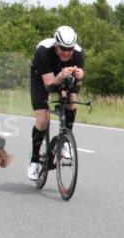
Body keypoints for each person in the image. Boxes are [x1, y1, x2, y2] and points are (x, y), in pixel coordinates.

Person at [28, 25, 84, 180]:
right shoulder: (43, 51)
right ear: (56, 46)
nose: (67, 53)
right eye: (63, 49)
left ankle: (66, 140)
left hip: (62, 76)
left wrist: (79, 79)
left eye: (70, 49)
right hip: (41, 78)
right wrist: (59, 77)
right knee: (42, 119)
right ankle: (34, 160)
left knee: (71, 101)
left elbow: (76, 89)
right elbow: (49, 86)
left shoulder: (78, 54)